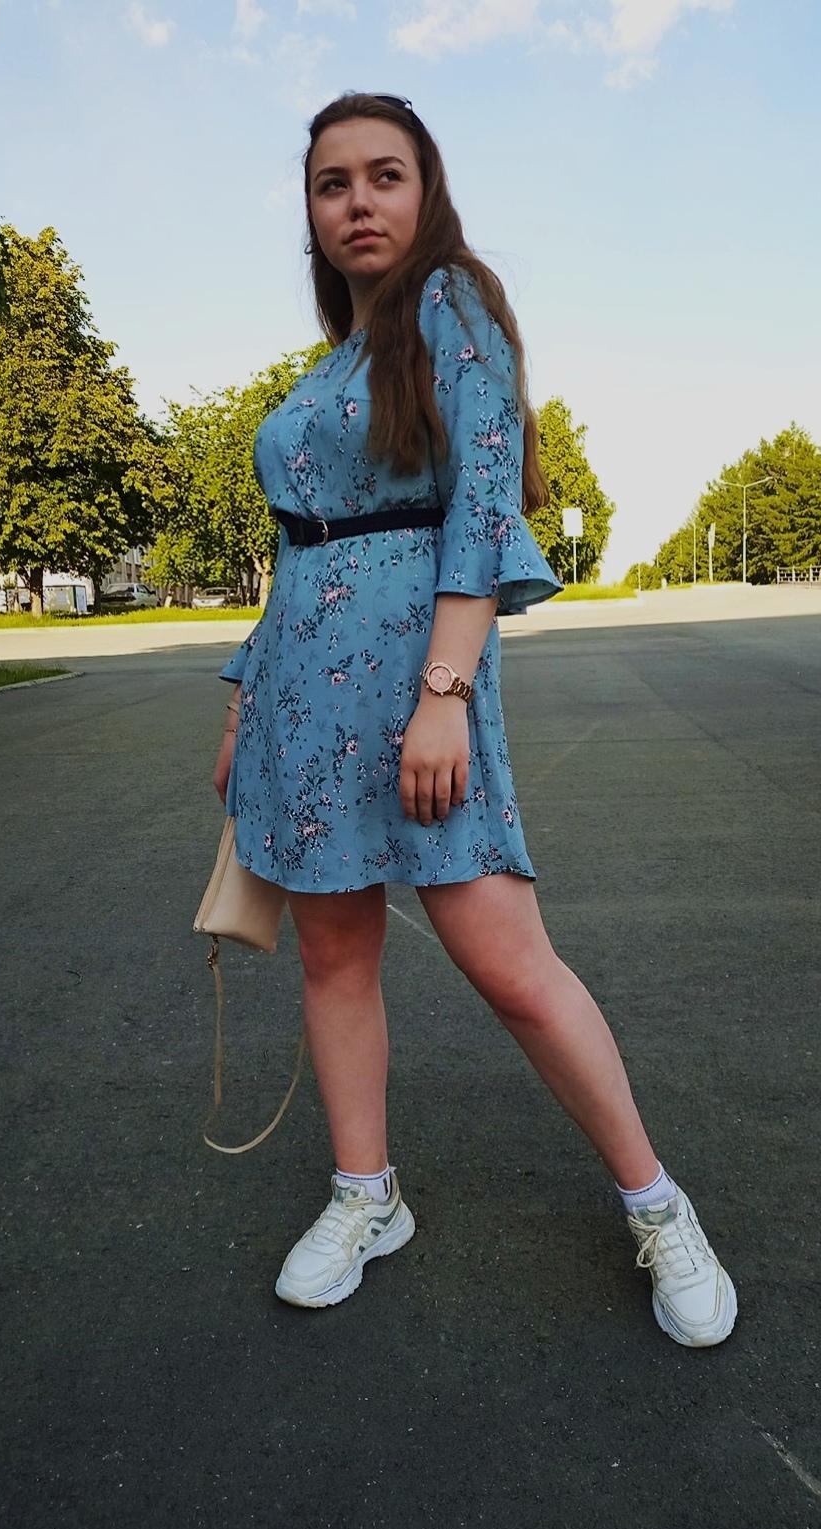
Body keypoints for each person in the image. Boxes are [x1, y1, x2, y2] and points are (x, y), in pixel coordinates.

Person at [213, 92, 736, 1347]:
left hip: (419, 688)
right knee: (335, 959)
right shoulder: (329, 366)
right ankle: (366, 1194)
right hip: (301, 700)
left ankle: (659, 1205)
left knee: (510, 965)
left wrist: (444, 696)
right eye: (332, 183)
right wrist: (245, 699)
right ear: (311, 214)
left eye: (384, 175)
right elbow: (298, 555)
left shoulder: (454, 306)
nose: (357, 201)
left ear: (426, 191)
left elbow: (483, 508)